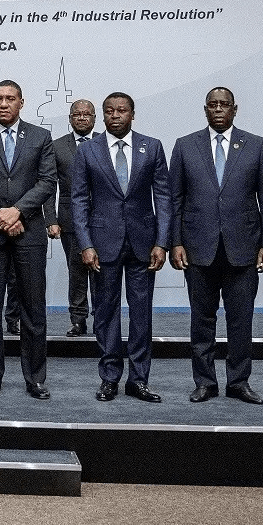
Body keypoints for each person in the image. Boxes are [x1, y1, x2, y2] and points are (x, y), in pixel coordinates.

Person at [170, 87, 263, 405]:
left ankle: (238, 382)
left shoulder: (256, 145)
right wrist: (175, 241)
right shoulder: (185, 145)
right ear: (205, 109)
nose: (218, 109)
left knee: (241, 320)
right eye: (213, 105)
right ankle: (205, 382)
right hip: (197, 247)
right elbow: (175, 200)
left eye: (224, 104)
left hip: (244, 248)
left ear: (235, 109)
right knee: (201, 320)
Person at [71, 93, 170, 402]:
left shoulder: (152, 147)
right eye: (109, 111)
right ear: (103, 115)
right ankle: (110, 377)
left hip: (144, 244)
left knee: (141, 315)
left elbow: (163, 198)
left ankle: (139, 380)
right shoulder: (88, 150)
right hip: (102, 245)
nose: (115, 115)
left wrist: (162, 242)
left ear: (132, 114)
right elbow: (79, 200)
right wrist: (85, 243)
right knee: (105, 313)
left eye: (122, 110)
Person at [0, 80, 56, 399]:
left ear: (21, 103)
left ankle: (35, 378)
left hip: (29, 233)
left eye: (10, 99)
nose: (3, 104)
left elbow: (47, 182)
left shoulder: (41, 137)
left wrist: (17, 211)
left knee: (33, 309)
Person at [43, 100, 97, 337]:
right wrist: (51, 219)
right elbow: (49, 187)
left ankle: (102, 319)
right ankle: (78, 320)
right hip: (70, 219)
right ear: (70, 118)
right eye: (77, 114)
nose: (82, 118)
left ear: (94, 118)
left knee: (101, 272)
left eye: (86, 114)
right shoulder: (57, 146)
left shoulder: (105, 143)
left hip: (102, 220)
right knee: (76, 272)